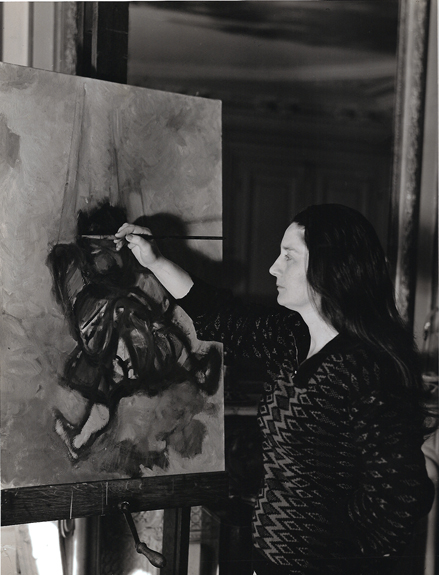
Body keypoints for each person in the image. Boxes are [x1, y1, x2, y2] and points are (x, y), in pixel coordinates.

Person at [115, 204, 435, 575]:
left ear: (329, 267)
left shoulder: (365, 369)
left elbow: (402, 498)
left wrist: (330, 546)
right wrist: (153, 261)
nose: (274, 267)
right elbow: (220, 316)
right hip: (270, 558)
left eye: (289, 256)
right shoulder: (293, 337)